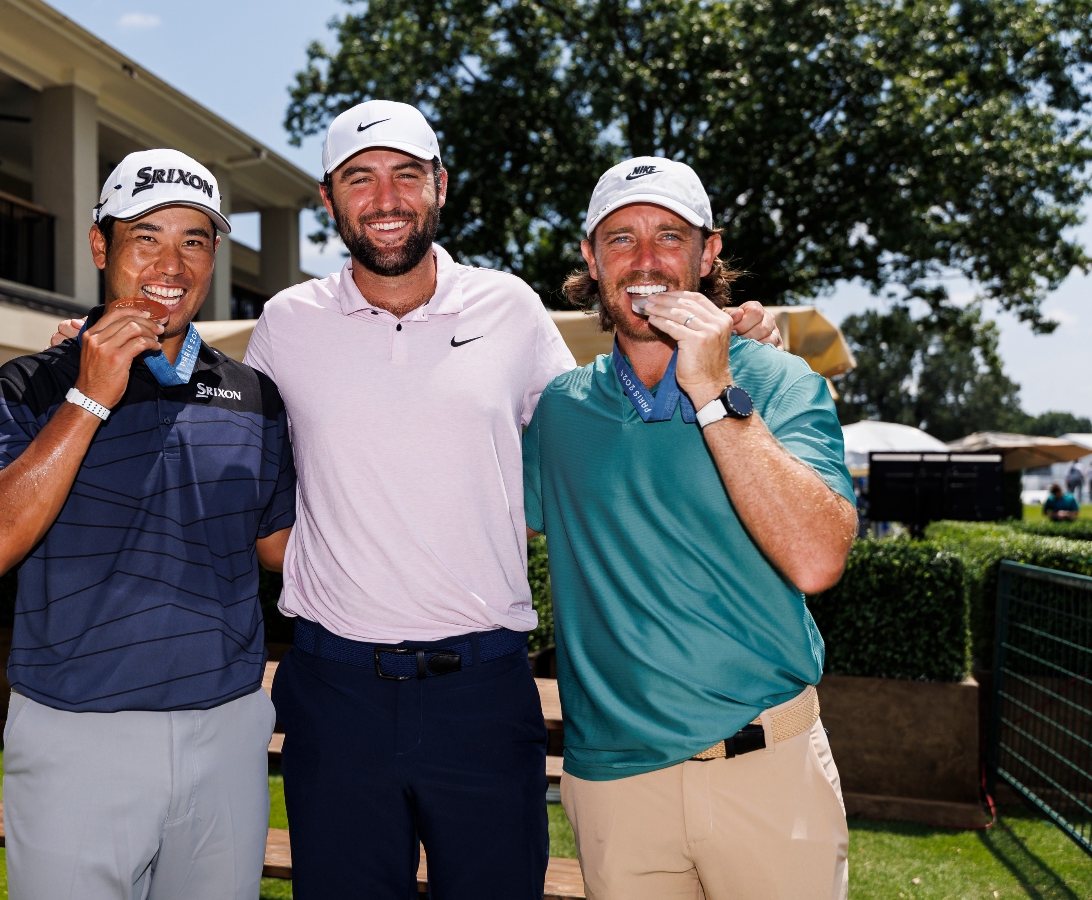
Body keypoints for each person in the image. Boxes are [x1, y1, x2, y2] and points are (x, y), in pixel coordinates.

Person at [46, 101, 783, 900]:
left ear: (440, 185)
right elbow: (221, 428)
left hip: (483, 692)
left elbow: (598, 420)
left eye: (406, 174)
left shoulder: (510, 308)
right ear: (328, 201)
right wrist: (84, 341)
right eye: (358, 178)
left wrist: (740, 338)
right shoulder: (287, 322)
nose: (385, 197)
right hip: (336, 695)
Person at [0, 148, 297, 900]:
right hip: (76, 730)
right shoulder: (31, 383)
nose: (171, 263)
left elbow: (282, 551)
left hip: (227, 730)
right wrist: (88, 396)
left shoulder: (256, 396)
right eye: (147, 237)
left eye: (195, 241)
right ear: (101, 245)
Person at [523, 157, 858, 900]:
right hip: (614, 782)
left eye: (670, 237)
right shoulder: (560, 409)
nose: (646, 261)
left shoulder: (779, 383)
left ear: (708, 254)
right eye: (621, 239)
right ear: (591, 259)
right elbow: (475, 523)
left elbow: (816, 558)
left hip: (768, 771)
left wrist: (712, 388)